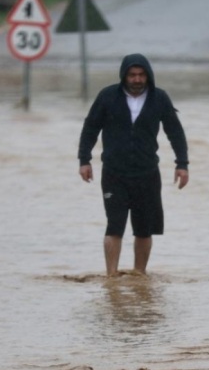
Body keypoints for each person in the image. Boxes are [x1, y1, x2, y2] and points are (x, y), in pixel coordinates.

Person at [77, 53, 189, 277]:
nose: (137, 80)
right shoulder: (108, 96)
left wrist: (182, 164)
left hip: (147, 173)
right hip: (114, 173)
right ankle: (111, 278)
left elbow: (175, 132)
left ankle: (139, 276)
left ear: (148, 76)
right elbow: (90, 127)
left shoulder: (160, 99)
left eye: (141, 75)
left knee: (144, 230)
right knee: (114, 226)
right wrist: (84, 160)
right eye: (132, 75)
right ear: (124, 76)